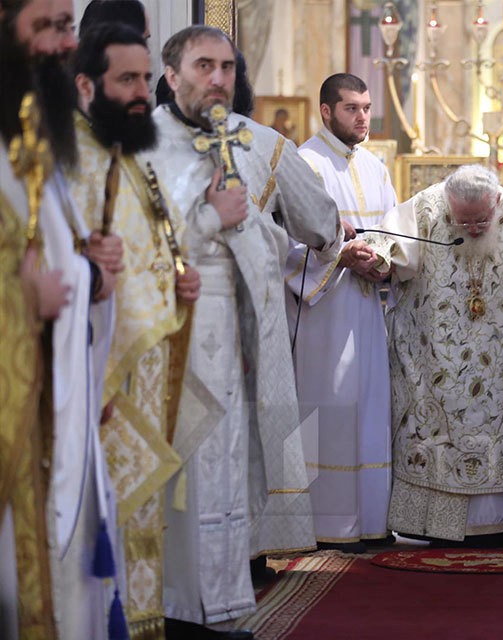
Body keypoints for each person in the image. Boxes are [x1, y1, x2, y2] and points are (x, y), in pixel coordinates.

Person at [145, 25, 340, 637]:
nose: (218, 78)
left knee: (230, 464)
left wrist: (254, 229)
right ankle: (179, 608)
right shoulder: (141, 146)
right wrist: (213, 219)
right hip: (169, 334)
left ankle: (221, 607)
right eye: (203, 66)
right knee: (181, 468)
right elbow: (129, 239)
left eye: (227, 67)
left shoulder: (248, 141)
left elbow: (308, 226)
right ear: (171, 75)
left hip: (241, 334)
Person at [69, 22, 203, 638]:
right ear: (85, 85)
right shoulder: (69, 161)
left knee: (140, 504)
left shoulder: (131, 156)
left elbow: (160, 240)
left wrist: (181, 281)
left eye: (144, 80)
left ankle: (142, 619)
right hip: (96, 366)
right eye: (125, 79)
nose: (139, 94)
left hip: (143, 359)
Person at [0, 0, 123, 637]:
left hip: (49, 384)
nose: (59, 44)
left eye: (65, 26)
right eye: (44, 27)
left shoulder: (32, 133)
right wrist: (28, 298)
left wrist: (88, 264)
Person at [359, 164, 503, 547]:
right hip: (432, 355)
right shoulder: (427, 207)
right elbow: (391, 244)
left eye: (481, 220)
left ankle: (495, 526)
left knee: (491, 427)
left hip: (495, 358)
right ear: (448, 204)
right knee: (434, 430)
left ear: (497, 201)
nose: (473, 229)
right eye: (463, 222)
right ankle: (432, 524)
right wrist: (379, 258)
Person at [288, 72, 397, 553]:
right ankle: (328, 524)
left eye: (367, 108)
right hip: (324, 316)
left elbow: (393, 229)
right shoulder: (304, 163)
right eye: (352, 108)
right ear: (326, 111)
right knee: (330, 407)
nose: (362, 117)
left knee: (371, 405)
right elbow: (287, 243)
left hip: (370, 308)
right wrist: (340, 256)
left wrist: (384, 262)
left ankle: (372, 520)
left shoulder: (375, 167)